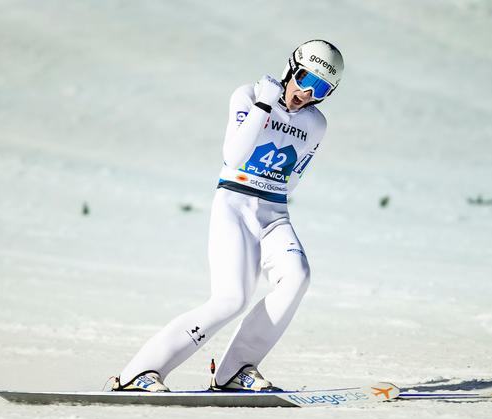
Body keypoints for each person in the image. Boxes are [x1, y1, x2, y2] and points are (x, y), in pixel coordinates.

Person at [113, 39, 345, 392]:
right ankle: (138, 372)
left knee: (297, 277)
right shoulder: (250, 95)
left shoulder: (316, 123)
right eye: (303, 78)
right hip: (234, 205)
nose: (306, 93)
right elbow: (233, 157)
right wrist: (265, 105)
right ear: (290, 67)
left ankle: (237, 370)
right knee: (230, 299)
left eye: (321, 88)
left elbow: (292, 180)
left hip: (274, 212)